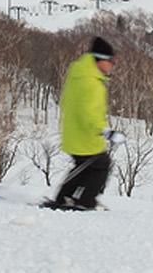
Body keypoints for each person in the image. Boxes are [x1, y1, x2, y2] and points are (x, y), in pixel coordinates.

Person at [49, 36, 115, 211]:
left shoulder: (79, 73)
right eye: (110, 60)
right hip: (86, 135)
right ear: (100, 60)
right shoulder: (91, 81)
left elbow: (67, 102)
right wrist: (104, 130)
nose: (112, 65)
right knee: (101, 166)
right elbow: (89, 112)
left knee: (84, 167)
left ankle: (64, 198)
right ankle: (86, 201)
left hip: (74, 132)